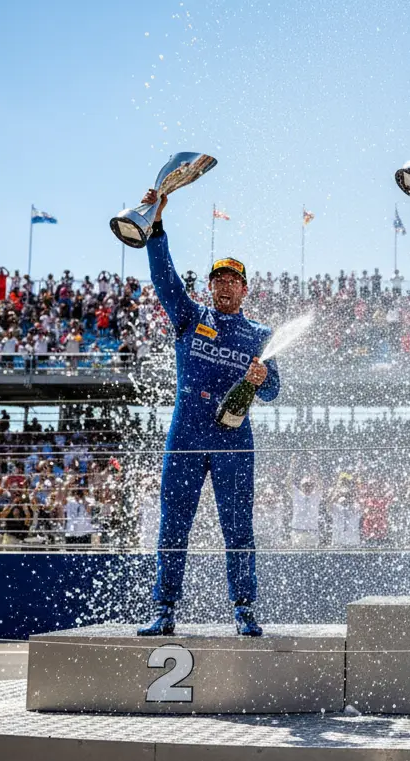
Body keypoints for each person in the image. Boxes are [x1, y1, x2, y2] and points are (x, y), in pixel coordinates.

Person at [136, 188, 283, 638]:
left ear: (244, 289)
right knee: (173, 523)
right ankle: (164, 610)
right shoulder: (188, 315)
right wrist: (156, 226)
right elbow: (164, 278)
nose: (224, 286)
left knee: (238, 526)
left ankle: (243, 609)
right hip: (184, 435)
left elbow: (275, 390)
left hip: (234, 442)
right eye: (217, 279)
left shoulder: (260, 334)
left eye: (232, 281)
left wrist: (262, 378)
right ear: (210, 286)